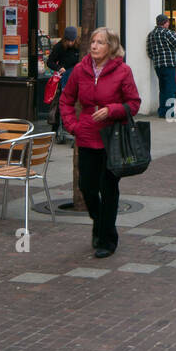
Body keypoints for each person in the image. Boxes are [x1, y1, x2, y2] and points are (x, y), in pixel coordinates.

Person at [60, 27, 141, 259]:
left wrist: (111, 110)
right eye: (93, 42)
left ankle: (106, 239)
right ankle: (101, 224)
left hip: (112, 138)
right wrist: (72, 126)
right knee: (86, 187)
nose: (94, 46)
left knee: (108, 188)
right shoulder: (80, 70)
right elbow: (66, 100)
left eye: (100, 42)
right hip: (86, 136)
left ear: (111, 47)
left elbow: (133, 103)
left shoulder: (123, 71)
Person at [45, 26, 81, 143]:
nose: (71, 43)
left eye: (72, 40)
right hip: (65, 77)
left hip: (76, 76)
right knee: (63, 103)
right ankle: (59, 129)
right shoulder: (59, 47)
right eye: (69, 40)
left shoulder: (79, 46)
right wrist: (59, 68)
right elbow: (50, 62)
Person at [145, 14, 176, 120]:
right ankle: (170, 113)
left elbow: (150, 52)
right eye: (168, 22)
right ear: (165, 22)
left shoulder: (151, 34)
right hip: (169, 64)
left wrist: (157, 58)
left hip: (158, 65)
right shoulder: (167, 33)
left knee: (162, 88)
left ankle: (162, 111)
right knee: (170, 89)